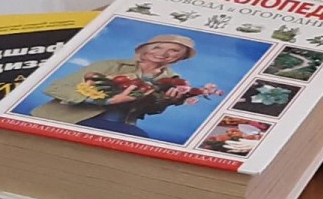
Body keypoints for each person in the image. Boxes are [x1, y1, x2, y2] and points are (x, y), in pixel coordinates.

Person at [28, 33, 221, 140]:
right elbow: (55, 88)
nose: (163, 54)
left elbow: (149, 110)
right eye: (157, 47)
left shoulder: (174, 81)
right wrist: (107, 100)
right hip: (73, 119)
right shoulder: (110, 65)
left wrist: (168, 101)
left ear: (180, 58)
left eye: (174, 51)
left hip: (119, 125)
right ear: (144, 51)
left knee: (140, 143)